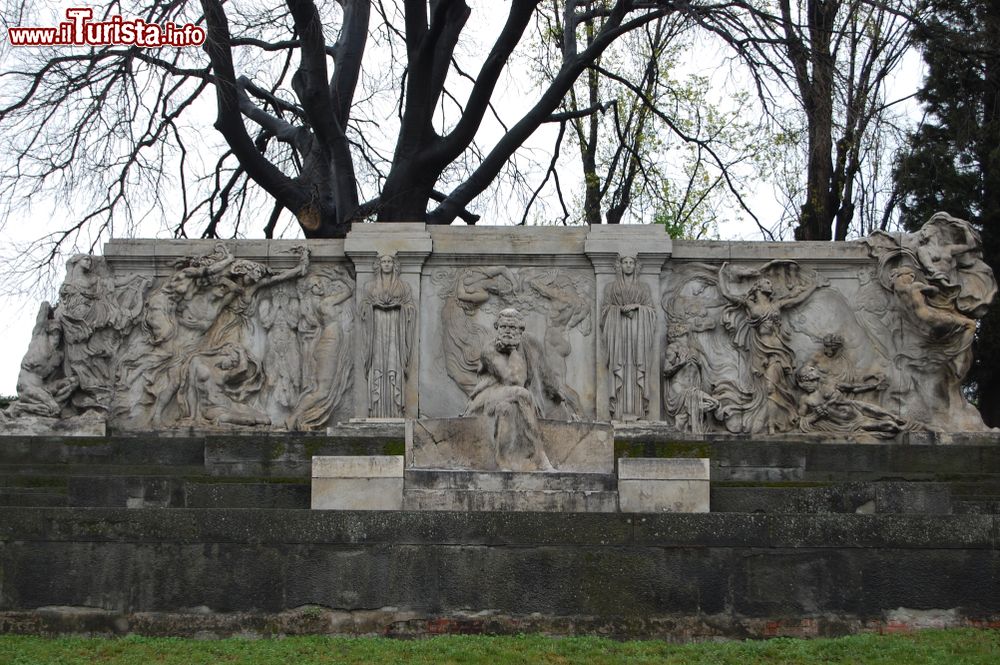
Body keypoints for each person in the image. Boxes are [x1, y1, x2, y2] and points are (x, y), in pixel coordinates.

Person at [463, 308, 578, 472]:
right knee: (522, 393)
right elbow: (513, 380)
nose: (507, 331)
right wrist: (512, 351)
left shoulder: (529, 344)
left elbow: (545, 373)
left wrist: (558, 395)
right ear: (497, 328)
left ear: (520, 330)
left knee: (507, 409)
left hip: (509, 399)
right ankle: (540, 457)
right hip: (488, 396)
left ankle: (504, 463)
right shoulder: (489, 350)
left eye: (512, 328)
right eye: (503, 327)